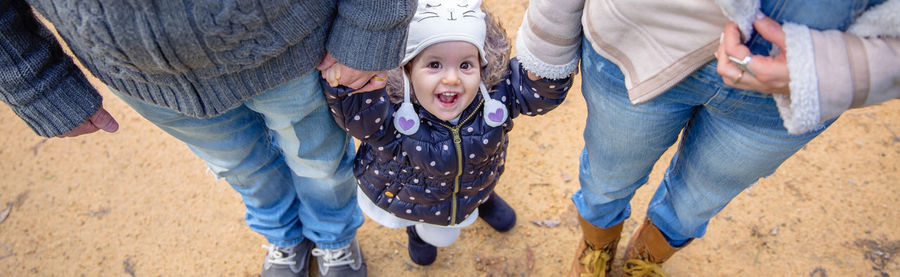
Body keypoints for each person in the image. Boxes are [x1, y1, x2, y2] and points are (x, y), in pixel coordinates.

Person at [0, 1, 415, 276]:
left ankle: (333, 239)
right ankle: (284, 237)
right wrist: (36, 83)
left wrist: (371, 25)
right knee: (240, 168)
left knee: (319, 161)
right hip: (144, 79)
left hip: (294, 47)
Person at [515, 0, 899, 276]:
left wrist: (839, 68)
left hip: (790, 94)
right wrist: (546, 41)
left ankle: (645, 260)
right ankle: (598, 247)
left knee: (695, 204)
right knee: (606, 177)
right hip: (639, 41)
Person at [320, 0, 573, 266]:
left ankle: (482, 199)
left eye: (465, 65)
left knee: (476, 181)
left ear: (482, 67)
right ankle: (416, 231)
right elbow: (356, 115)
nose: (452, 78)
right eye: (434, 65)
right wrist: (348, 85)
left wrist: (542, 75)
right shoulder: (391, 110)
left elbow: (537, 95)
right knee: (433, 231)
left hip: (478, 176)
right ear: (407, 69)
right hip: (411, 195)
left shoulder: (497, 96)